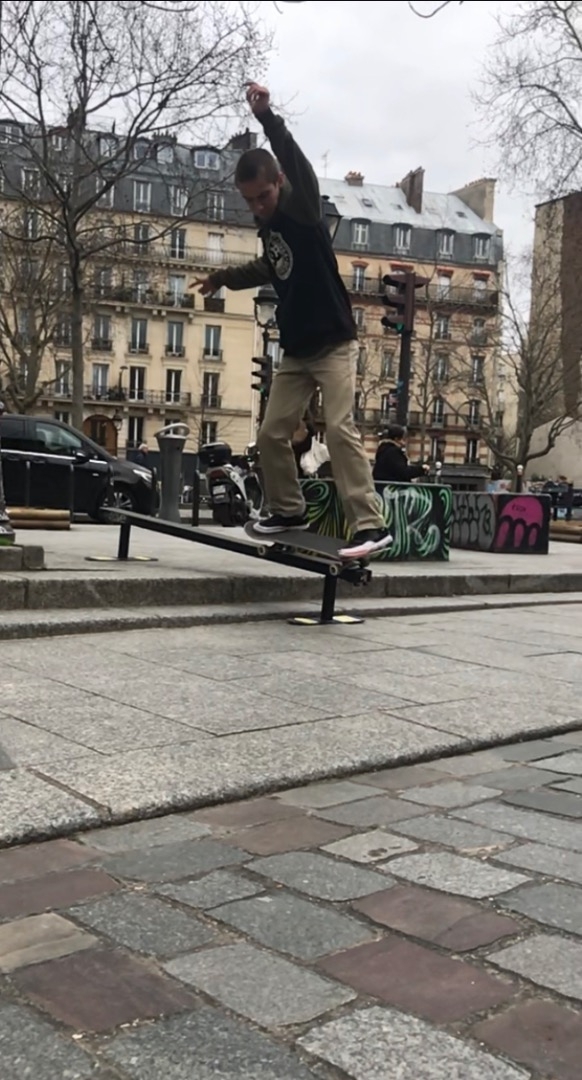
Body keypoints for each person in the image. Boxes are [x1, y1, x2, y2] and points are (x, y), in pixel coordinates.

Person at [191, 82, 391, 560]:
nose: (259, 207)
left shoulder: (301, 209)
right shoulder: (271, 230)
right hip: (298, 351)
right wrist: (221, 277)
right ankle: (287, 509)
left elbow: (295, 160)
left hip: (334, 343)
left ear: (278, 182)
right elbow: (269, 267)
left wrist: (267, 118)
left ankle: (370, 525)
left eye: (264, 196)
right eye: (251, 202)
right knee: (270, 433)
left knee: (339, 428)